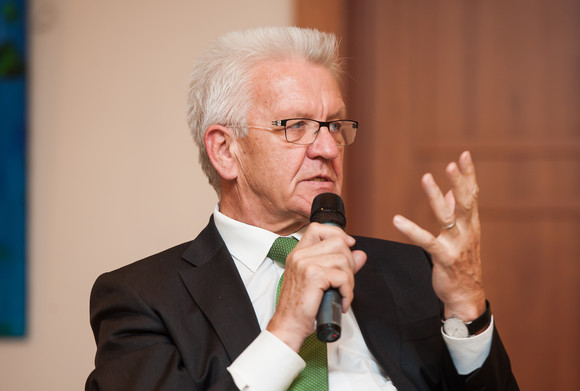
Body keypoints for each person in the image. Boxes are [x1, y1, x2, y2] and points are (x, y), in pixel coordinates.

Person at [86, 27, 518, 390]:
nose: (329, 148)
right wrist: (288, 325)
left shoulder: (411, 271)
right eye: (295, 126)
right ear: (225, 150)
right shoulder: (140, 298)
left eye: (335, 125)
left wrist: (467, 311)